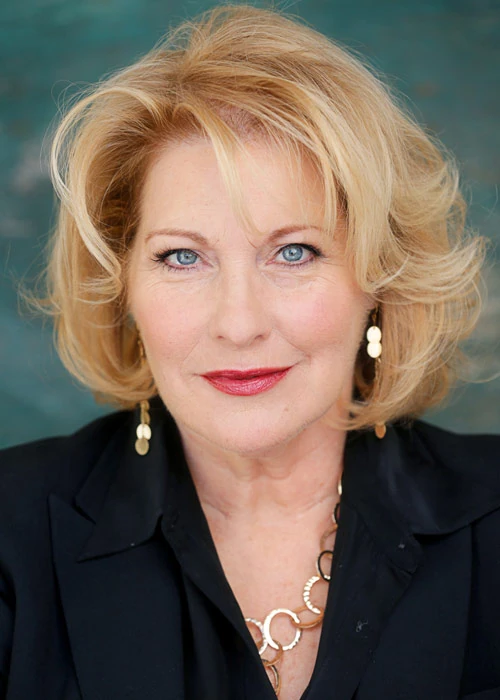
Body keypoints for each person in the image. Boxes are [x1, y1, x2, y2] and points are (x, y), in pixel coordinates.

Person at [1, 4, 499, 699]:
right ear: (122, 287)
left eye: (294, 252)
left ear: (381, 278)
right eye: (182, 257)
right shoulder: (9, 532)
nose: (238, 324)